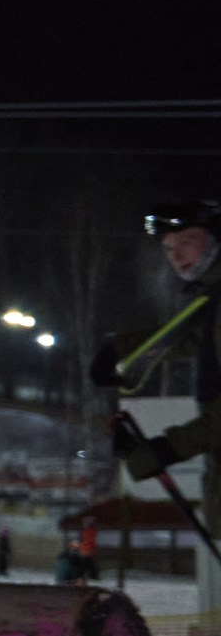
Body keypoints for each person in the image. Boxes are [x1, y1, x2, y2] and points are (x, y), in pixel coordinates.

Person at [95, 200, 221, 607]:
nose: (177, 256)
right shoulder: (211, 302)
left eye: (187, 242)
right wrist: (119, 349)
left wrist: (167, 448)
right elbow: (188, 337)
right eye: (168, 249)